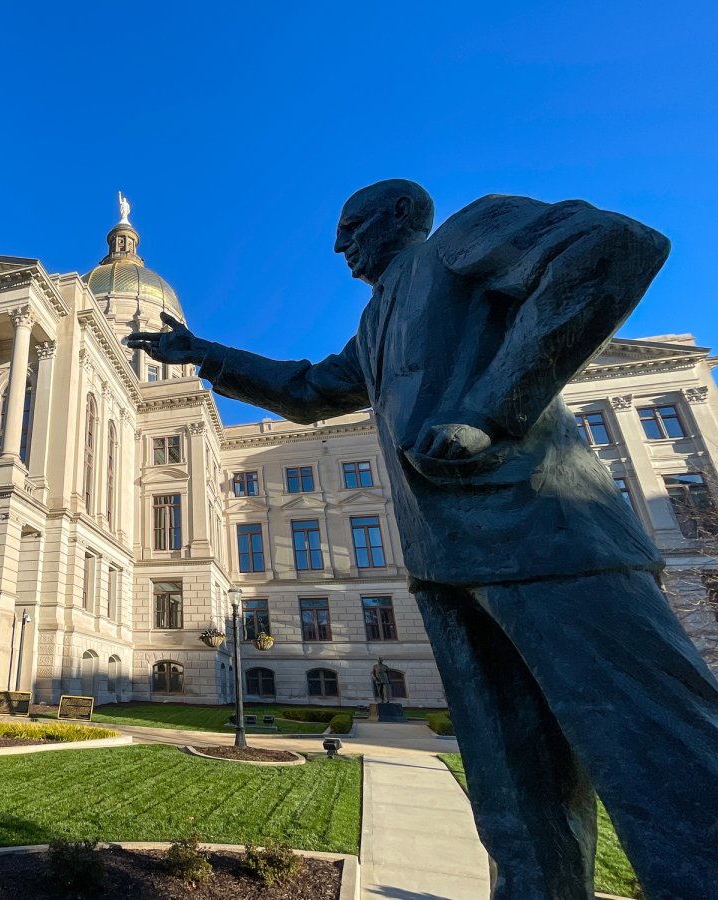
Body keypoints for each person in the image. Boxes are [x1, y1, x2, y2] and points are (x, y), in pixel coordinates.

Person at [127, 180, 718, 900]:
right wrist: (202, 352)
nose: (340, 244)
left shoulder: (462, 240)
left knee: (660, 757)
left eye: (352, 226)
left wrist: (491, 410)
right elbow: (313, 390)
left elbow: (619, 248)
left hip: (545, 532)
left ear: (403, 214)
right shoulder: (379, 318)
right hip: (443, 562)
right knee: (512, 793)